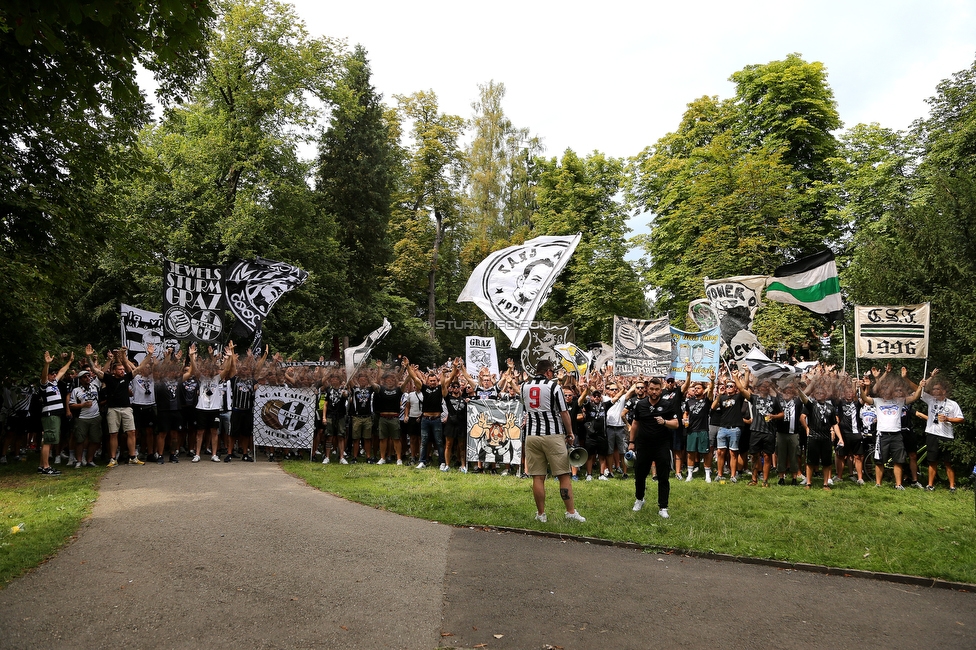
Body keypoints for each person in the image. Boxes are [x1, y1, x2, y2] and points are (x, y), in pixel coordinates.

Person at [521, 360, 584, 523]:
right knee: (563, 475)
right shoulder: (553, 387)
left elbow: (526, 410)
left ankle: (541, 514)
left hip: (531, 436)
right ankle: (570, 512)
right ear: (548, 372)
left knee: (538, 476)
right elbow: (564, 412)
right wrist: (570, 433)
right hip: (553, 435)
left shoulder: (523, 386)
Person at [860, 368, 923, 490]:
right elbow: (865, 399)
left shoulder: (899, 401)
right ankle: (878, 484)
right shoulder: (877, 401)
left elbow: (915, 397)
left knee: (898, 461)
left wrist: (920, 387)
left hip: (896, 435)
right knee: (879, 461)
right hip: (882, 435)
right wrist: (858, 388)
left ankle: (898, 484)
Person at [88, 344, 148, 467]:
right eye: (120, 369)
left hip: (126, 408)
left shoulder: (127, 377)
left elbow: (139, 368)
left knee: (131, 432)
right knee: (113, 434)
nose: (122, 371)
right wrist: (89, 358)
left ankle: (133, 457)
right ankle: (113, 459)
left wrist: (150, 355)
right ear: (114, 370)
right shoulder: (108, 378)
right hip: (112, 409)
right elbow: (95, 370)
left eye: (123, 369)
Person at [628, 377, 679, 518]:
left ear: (661, 390)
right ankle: (639, 499)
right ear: (647, 389)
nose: (654, 392)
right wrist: (631, 442)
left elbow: (676, 424)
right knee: (640, 475)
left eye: (657, 389)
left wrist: (664, 422)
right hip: (643, 445)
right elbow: (635, 424)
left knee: (663, 477)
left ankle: (663, 507)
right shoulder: (640, 404)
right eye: (652, 389)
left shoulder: (667, 405)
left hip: (662, 445)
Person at [918, 371, 964, 492]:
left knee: (948, 462)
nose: (934, 391)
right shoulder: (931, 400)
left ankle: (952, 486)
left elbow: (961, 418)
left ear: (943, 391)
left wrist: (948, 419)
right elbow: (919, 390)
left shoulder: (953, 404)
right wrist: (929, 378)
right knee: (932, 461)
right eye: (933, 389)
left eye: (937, 389)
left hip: (947, 436)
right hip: (932, 434)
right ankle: (930, 485)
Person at [738, 370, 781, 487]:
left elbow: (782, 414)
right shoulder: (755, 398)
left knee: (767, 456)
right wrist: (736, 377)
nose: (764, 388)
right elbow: (742, 390)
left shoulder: (774, 400)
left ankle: (765, 481)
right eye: (762, 386)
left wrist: (774, 416)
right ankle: (754, 479)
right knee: (754, 456)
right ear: (759, 388)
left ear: (768, 388)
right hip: (756, 431)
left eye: (766, 386)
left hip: (769, 431)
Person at [38, 351, 73, 475]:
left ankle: (42, 465)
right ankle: (46, 467)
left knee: (50, 440)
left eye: (54, 373)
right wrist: (46, 364)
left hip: (55, 415)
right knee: (48, 441)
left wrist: (70, 361)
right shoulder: (44, 384)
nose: (54, 375)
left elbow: (62, 371)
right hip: (50, 414)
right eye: (51, 374)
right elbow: (43, 376)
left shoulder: (54, 383)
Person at [800, 382, 839, 490]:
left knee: (826, 462)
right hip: (813, 437)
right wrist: (807, 428)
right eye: (817, 392)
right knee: (810, 462)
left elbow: (834, 424)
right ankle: (808, 483)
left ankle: (825, 484)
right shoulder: (811, 405)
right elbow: (803, 400)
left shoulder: (830, 407)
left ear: (825, 395)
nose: (819, 394)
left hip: (826, 438)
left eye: (821, 393)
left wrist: (839, 437)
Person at [69, 370, 101, 468]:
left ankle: (89, 460)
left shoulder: (95, 386)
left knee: (95, 439)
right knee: (80, 440)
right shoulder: (76, 390)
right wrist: (82, 405)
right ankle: (79, 460)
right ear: (80, 379)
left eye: (88, 376)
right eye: (85, 377)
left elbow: (101, 373)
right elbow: (71, 405)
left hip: (95, 416)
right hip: (82, 418)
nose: (87, 378)